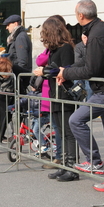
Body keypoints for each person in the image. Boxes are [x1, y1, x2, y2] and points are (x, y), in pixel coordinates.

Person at [57, 0, 104, 191]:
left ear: (80, 15)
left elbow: (91, 69)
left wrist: (66, 73)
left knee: (76, 120)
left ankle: (96, 162)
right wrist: (67, 70)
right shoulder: (100, 29)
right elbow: (93, 62)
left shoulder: (97, 34)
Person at [33, 16, 78, 182]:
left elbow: (66, 70)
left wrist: (43, 72)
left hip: (64, 94)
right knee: (60, 130)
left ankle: (72, 167)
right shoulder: (54, 50)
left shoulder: (65, 48)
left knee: (68, 132)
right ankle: (64, 165)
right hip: (55, 94)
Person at [0, 56, 30, 155]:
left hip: (17, 97)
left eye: (9, 71)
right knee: (0, 122)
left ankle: (17, 145)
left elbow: (28, 75)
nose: (7, 74)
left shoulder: (15, 68)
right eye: (5, 72)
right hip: (2, 99)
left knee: (17, 121)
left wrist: (22, 87)